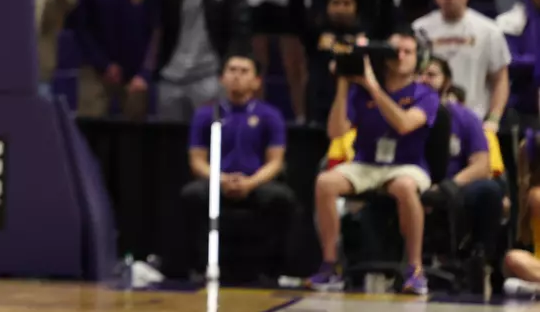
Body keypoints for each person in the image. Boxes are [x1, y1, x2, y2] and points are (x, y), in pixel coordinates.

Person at [310, 34, 437, 295]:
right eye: (395, 51)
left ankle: (414, 269)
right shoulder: (360, 91)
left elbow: (403, 124)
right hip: (367, 163)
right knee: (325, 182)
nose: (400, 56)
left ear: (419, 59)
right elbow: (335, 132)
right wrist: (344, 84)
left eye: (408, 52)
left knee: (404, 186)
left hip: (407, 164)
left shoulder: (425, 94)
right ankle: (331, 265)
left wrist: (373, 86)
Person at [180, 55, 294, 280]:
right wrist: (221, 180)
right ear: (222, 78)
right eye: (231, 70)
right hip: (218, 182)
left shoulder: (270, 115)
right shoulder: (206, 114)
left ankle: (271, 271)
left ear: (256, 81)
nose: (236, 76)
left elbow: (275, 161)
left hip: (255, 182)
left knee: (281, 198)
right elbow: (197, 160)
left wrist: (250, 183)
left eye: (244, 71)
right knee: (191, 195)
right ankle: (201, 266)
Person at [150, 0, 250, 120]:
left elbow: (239, 33)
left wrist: (225, 72)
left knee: (211, 142)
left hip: (209, 77)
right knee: (169, 144)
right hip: (171, 76)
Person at [420, 60, 506, 279]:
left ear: (446, 82)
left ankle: (478, 256)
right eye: (419, 74)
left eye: (432, 74)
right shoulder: (403, 112)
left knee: (489, 189)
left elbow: (481, 164)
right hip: (413, 180)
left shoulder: (465, 117)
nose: (424, 79)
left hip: (455, 183)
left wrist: (450, 184)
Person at [73, 0, 159, 119]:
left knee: (134, 137)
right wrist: (102, 64)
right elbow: (82, 27)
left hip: (135, 74)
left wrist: (144, 73)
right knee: (90, 126)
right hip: (95, 69)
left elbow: (156, 29)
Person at [414, 0, 510, 133]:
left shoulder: (489, 30)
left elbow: (500, 79)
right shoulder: (420, 29)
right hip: (427, 118)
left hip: (473, 119)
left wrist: (494, 119)